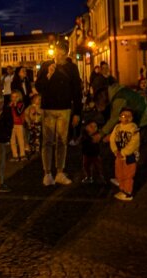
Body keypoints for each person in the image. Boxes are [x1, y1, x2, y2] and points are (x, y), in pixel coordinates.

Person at [35, 40, 82, 186]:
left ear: (66, 54)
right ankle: (47, 173)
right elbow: (39, 87)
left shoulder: (72, 68)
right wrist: (48, 75)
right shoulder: (45, 66)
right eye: (56, 53)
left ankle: (60, 172)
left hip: (64, 109)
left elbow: (77, 91)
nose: (58, 57)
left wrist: (77, 113)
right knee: (47, 142)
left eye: (61, 54)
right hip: (48, 109)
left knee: (62, 142)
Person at [109, 107, 140, 201]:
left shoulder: (133, 128)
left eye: (129, 116)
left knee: (128, 174)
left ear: (132, 118)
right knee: (119, 173)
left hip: (130, 156)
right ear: (119, 118)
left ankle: (127, 192)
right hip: (118, 155)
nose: (126, 118)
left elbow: (134, 143)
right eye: (123, 116)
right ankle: (122, 189)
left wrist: (123, 152)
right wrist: (115, 150)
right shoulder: (117, 127)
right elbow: (112, 139)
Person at [80, 119, 103, 184]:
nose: (93, 128)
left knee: (98, 166)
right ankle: (88, 177)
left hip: (95, 154)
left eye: (95, 126)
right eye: (91, 126)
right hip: (86, 154)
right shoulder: (84, 135)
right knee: (86, 166)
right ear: (86, 127)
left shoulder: (97, 136)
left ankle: (99, 177)